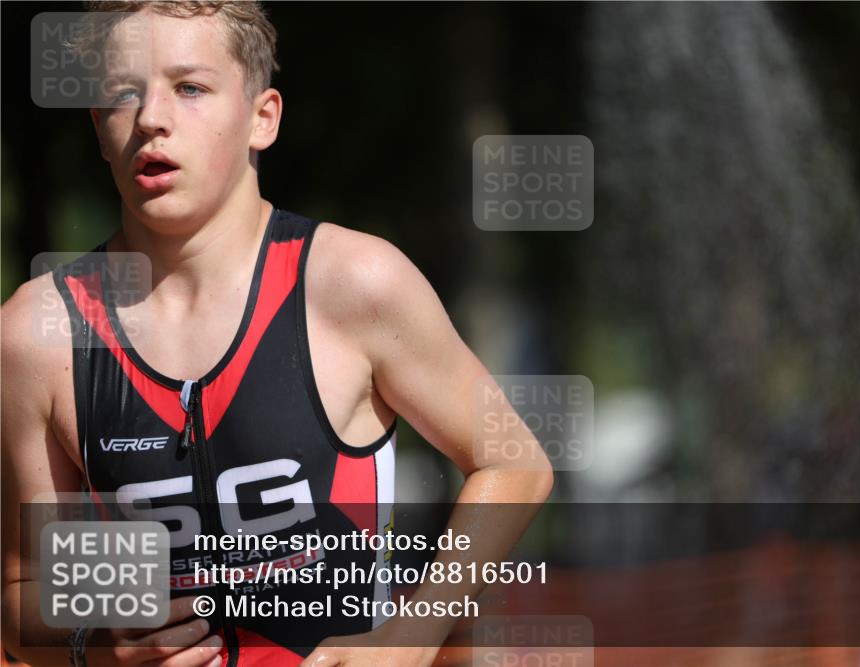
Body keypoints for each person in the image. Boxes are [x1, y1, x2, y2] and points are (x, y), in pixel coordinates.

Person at [0, 3, 553, 666]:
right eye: (124, 93)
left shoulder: (355, 283)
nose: (151, 118)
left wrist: (410, 635)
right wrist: (93, 643)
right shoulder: (37, 334)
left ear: (263, 116)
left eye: (190, 88)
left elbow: (515, 462)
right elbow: (24, 594)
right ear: (98, 127)